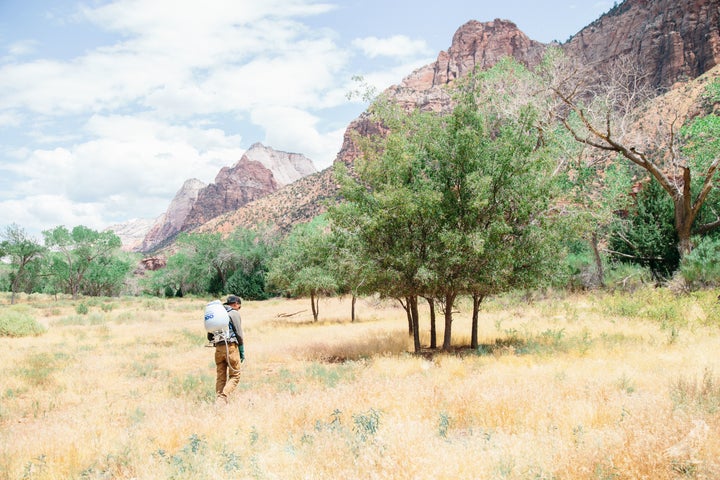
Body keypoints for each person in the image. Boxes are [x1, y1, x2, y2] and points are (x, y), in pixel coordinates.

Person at [211, 294, 245, 404]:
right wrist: (241, 349)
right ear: (235, 304)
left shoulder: (217, 314)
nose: (239, 309)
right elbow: (238, 333)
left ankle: (218, 401)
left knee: (221, 376)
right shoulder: (233, 313)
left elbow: (209, 335)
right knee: (235, 375)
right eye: (239, 307)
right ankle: (222, 399)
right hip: (230, 347)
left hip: (218, 348)